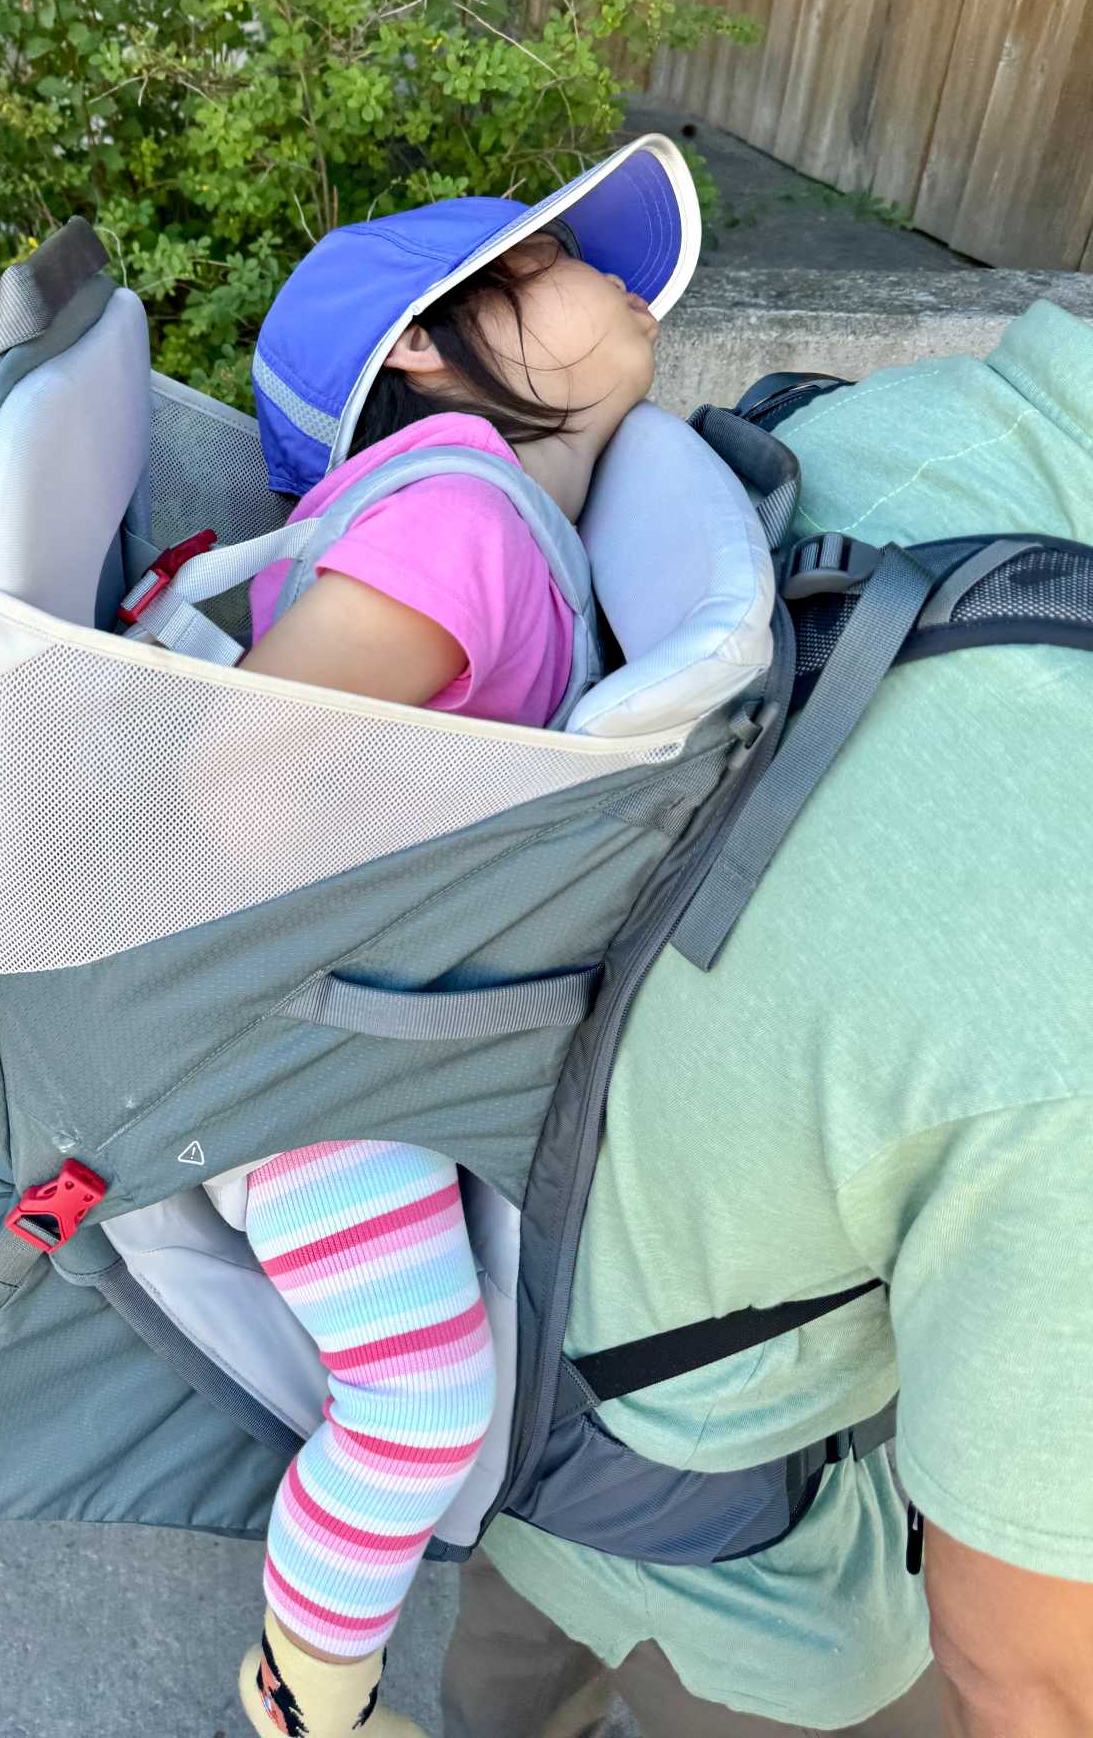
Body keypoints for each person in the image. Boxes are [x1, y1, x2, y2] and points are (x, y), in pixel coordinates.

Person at [437, 297, 1093, 1736]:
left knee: (505, 1683)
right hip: (731, 1537)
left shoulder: (934, 429)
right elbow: (1028, 1675)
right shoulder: (1070, 1021)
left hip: (499, 1319)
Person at [229, 138, 693, 1738]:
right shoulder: (459, 525)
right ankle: (311, 1704)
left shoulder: (489, 518)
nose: (620, 278)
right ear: (426, 343)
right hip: (295, 1053)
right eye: (556, 261)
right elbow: (233, 786)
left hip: (361, 1020)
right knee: (420, 1403)